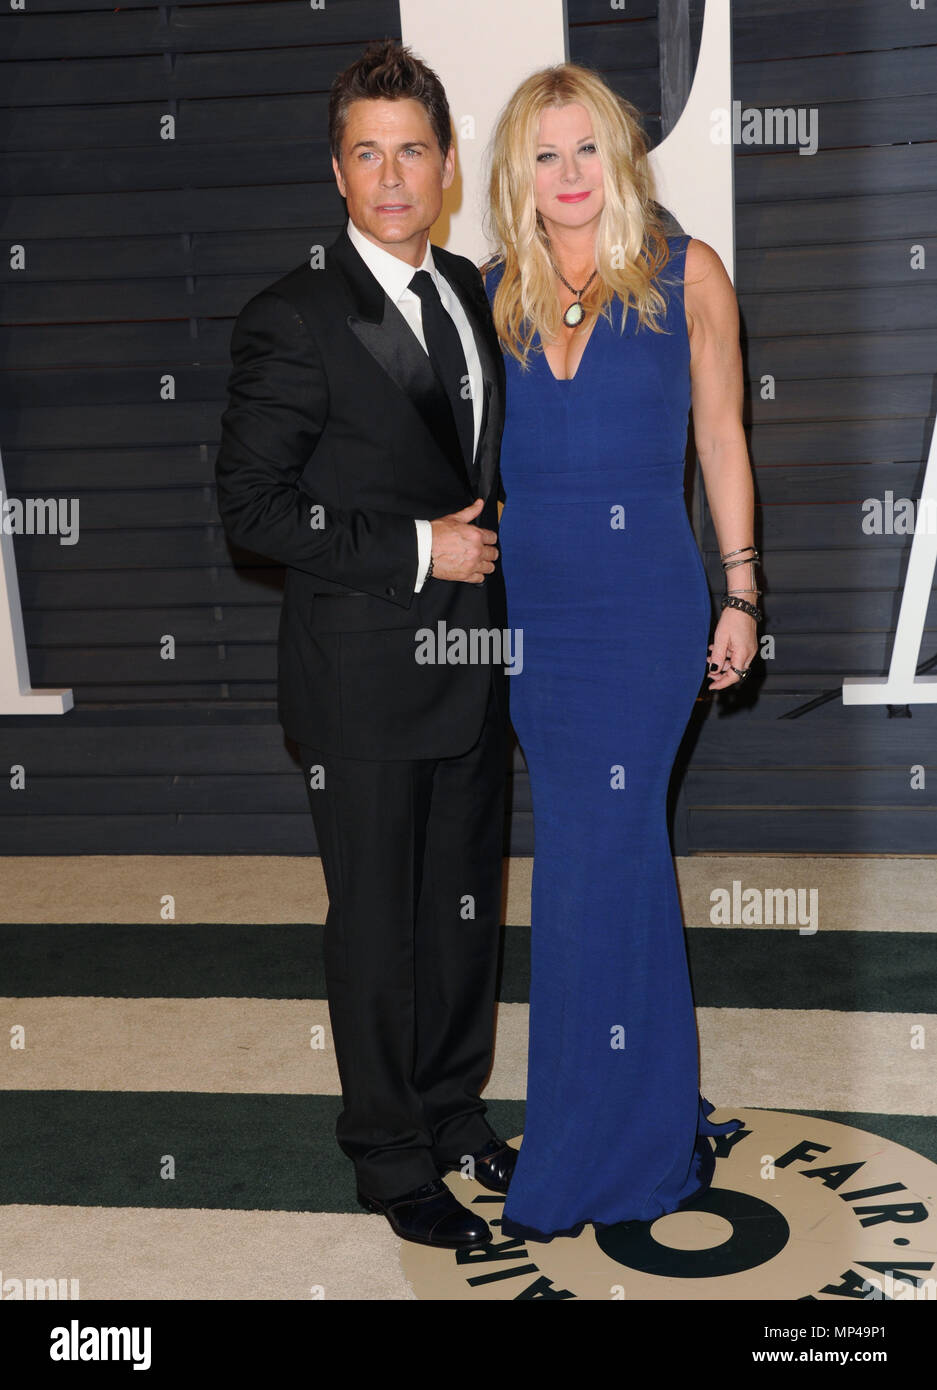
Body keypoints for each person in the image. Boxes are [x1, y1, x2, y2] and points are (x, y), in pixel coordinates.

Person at [215, 40, 517, 1251]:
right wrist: (411, 550)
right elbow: (252, 507)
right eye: (365, 153)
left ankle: (452, 1114)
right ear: (335, 172)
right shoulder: (292, 315)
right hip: (361, 682)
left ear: (444, 165)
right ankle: (389, 1155)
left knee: (460, 918)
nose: (391, 176)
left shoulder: (475, 294)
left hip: (473, 670)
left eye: (412, 151)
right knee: (379, 930)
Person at [481, 64, 756, 1242]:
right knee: (602, 863)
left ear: (620, 156)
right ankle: (633, 1112)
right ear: (517, 175)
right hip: (541, 628)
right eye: (545, 155)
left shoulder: (688, 272)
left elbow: (723, 437)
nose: (570, 175)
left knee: (606, 858)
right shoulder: (492, 294)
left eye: (586, 148)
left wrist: (740, 591)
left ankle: (614, 1140)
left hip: (646, 615)